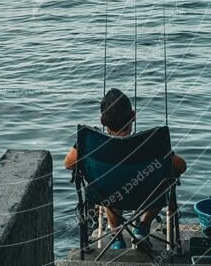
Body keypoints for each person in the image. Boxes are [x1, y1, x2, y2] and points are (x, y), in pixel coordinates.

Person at [64, 87, 186, 250]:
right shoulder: (152, 142)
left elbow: (69, 164)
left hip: (107, 195)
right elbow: (181, 166)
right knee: (165, 179)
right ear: (134, 116)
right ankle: (142, 227)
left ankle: (116, 236)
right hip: (147, 196)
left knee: (105, 182)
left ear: (102, 121)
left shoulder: (90, 141)